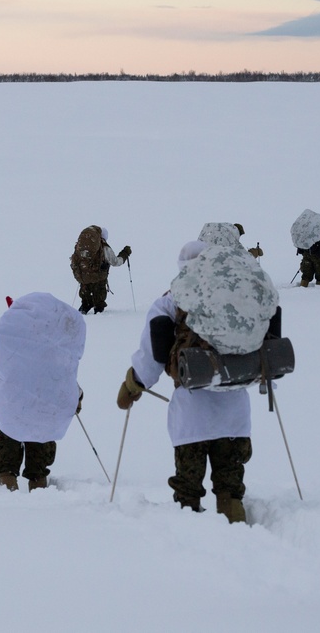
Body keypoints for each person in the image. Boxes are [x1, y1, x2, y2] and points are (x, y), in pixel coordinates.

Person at [116, 240, 278, 524]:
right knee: (230, 484)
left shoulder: (172, 300)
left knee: (188, 486)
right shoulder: (242, 295)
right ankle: (234, 522)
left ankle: (190, 531)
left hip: (191, 415)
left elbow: (153, 353)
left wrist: (134, 384)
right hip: (236, 413)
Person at [0, 292, 86, 491]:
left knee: (5, 459)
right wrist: (76, 397)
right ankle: (40, 492)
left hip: (11, 412)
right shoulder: (54, 349)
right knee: (39, 464)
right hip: (46, 417)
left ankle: (8, 492)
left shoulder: (3, 343)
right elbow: (63, 380)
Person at [70, 225, 131, 314]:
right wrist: (125, 253)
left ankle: (84, 307)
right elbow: (115, 262)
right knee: (99, 303)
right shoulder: (104, 247)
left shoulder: (81, 246)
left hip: (83, 278)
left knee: (85, 301)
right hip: (98, 278)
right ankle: (99, 317)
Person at [197, 222, 263, 258]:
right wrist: (256, 252)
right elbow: (244, 257)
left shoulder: (213, 230)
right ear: (238, 232)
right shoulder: (231, 237)